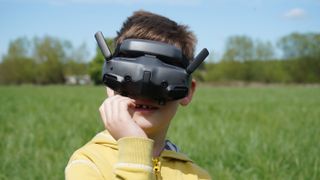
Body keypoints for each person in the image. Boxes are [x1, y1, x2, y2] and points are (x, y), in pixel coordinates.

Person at [65, 10, 211, 180]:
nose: (143, 90)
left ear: (187, 91)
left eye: (164, 76)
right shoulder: (87, 164)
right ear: (109, 82)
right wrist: (134, 147)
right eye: (130, 74)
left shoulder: (197, 176)